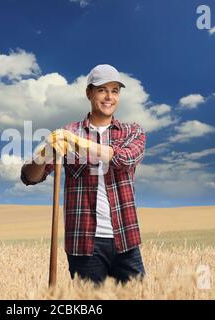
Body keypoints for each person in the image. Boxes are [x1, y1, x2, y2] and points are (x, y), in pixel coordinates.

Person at [20, 64, 146, 287]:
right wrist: (45, 152)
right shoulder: (67, 132)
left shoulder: (132, 132)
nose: (109, 97)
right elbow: (30, 177)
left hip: (125, 240)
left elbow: (123, 159)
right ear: (89, 93)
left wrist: (80, 143)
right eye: (102, 90)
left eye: (115, 90)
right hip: (83, 244)